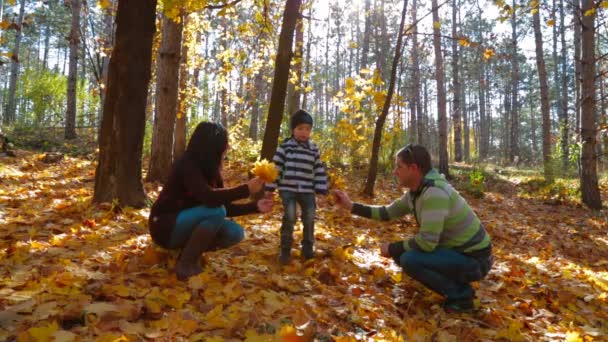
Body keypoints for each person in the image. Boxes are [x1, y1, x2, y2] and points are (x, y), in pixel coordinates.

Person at [333, 144, 493, 313]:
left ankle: (462, 297)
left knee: (410, 259)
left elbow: (427, 243)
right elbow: (387, 212)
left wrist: (393, 248)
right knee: (403, 255)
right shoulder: (417, 191)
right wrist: (350, 206)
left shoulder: (434, 193)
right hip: (460, 253)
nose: (395, 171)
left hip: (476, 260)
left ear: (414, 168)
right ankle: (455, 286)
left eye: (399, 167)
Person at [148, 122, 273, 280]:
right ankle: (186, 264)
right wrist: (245, 190)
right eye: (223, 145)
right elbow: (208, 197)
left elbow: (224, 207)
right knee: (215, 211)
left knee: (235, 232)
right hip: (165, 227)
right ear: (211, 147)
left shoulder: (212, 170)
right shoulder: (187, 165)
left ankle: (186, 254)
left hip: (185, 223)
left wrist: (255, 206)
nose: (226, 149)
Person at [266, 109, 328, 264]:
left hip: (307, 190)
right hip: (288, 190)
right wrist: (270, 188)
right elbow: (276, 168)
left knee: (309, 217)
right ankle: (285, 249)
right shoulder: (285, 147)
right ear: (293, 130)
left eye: (307, 129)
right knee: (290, 216)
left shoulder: (313, 150)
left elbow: (319, 170)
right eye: (300, 128)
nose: (304, 132)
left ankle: (308, 249)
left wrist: (321, 189)